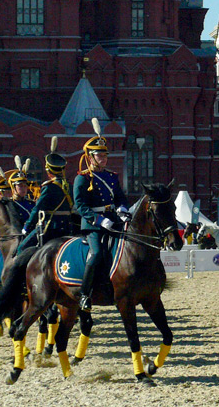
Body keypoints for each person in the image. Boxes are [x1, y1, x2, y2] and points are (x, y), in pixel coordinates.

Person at [73, 121, 129, 311]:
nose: (104, 159)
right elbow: (79, 205)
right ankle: (84, 294)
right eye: (100, 156)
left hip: (113, 220)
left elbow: (121, 197)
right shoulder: (82, 178)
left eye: (105, 155)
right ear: (90, 158)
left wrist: (122, 209)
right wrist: (99, 220)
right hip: (93, 225)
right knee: (96, 253)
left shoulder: (112, 176)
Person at [16, 144, 74, 256]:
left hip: (51, 228)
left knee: (21, 249)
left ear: (49, 172)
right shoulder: (69, 186)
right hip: (68, 227)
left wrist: (27, 227)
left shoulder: (49, 187)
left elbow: (38, 208)